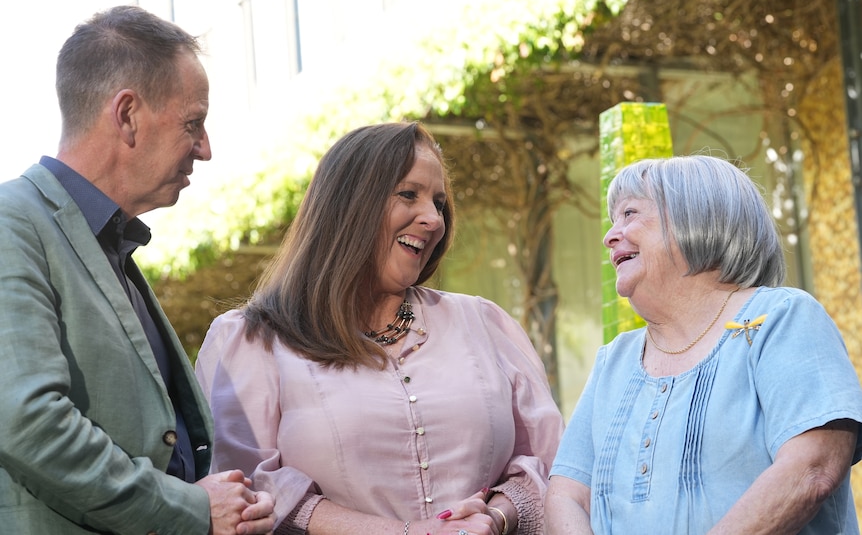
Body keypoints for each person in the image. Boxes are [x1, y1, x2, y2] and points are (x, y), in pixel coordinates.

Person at [194, 121, 564, 535]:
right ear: (348, 206)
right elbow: (243, 492)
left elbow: (550, 466)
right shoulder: (251, 341)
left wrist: (494, 517)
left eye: (439, 203)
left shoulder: (484, 324)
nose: (433, 219)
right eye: (409, 194)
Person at [0, 5, 276, 534]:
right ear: (126, 114)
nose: (206, 149)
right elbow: (27, 420)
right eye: (193, 124)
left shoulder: (109, 245)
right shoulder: (14, 224)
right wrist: (192, 509)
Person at [545, 154, 862, 534]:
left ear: (696, 216)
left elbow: (811, 469)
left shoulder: (782, 317)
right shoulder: (613, 359)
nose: (610, 236)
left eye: (630, 214)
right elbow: (567, 494)